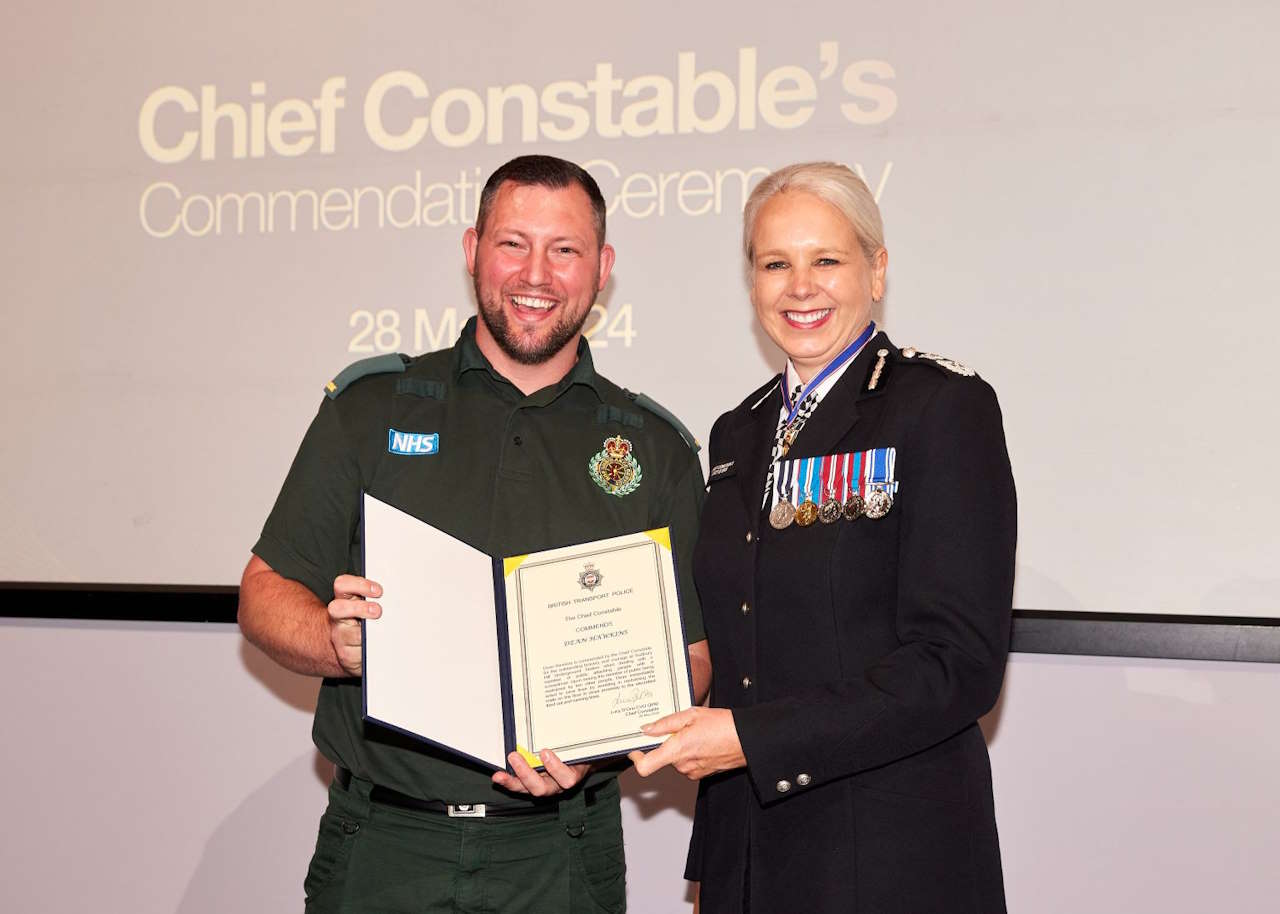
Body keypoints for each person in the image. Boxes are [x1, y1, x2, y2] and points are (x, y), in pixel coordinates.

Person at [238, 154, 712, 914]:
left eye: (566, 249)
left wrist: (592, 750)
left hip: (562, 852)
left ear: (602, 269)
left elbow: (691, 657)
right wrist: (332, 641)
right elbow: (263, 592)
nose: (537, 273)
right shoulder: (372, 407)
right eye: (513, 243)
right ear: (472, 251)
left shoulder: (654, 447)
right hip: (384, 844)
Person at [629, 162, 1017, 913]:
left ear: (876, 271)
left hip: (886, 854)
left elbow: (956, 666)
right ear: (752, 285)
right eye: (776, 263)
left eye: (826, 260)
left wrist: (753, 740)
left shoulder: (939, 409)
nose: (799, 286)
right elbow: (738, 647)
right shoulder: (737, 432)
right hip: (749, 851)